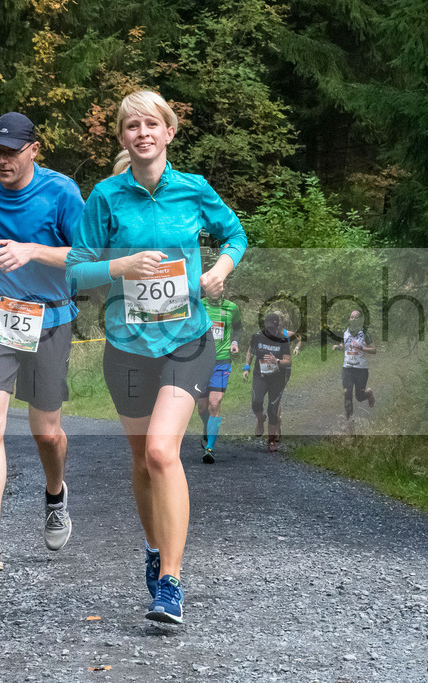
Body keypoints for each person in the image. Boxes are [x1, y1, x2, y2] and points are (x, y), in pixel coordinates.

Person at [66, 90, 247, 624]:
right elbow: (76, 269)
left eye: (152, 124)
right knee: (142, 458)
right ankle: (153, 547)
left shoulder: (194, 189)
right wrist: (119, 267)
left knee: (164, 453)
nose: (142, 133)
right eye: (131, 127)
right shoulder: (105, 196)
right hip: (126, 346)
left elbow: (234, 234)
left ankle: (170, 582)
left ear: (169, 132)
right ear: (122, 137)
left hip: (186, 340)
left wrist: (220, 269)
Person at [0, 112, 84, 571]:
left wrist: (32, 251)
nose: (2, 160)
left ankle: (55, 494)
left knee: (46, 432)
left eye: (11, 151)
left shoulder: (62, 192)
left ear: (34, 149)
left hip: (50, 318)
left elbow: (87, 256)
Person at [196, 296, 242, 463]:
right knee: (202, 408)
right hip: (201, 362)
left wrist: (234, 342)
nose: (217, 288)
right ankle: (208, 428)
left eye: (221, 285)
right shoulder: (199, 305)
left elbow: (238, 327)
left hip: (221, 362)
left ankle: (210, 448)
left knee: (214, 403)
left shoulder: (232, 307)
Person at [241, 312, 291, 453]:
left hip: (277, 377)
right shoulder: (257, 336)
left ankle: (271, 441)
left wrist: (277, 361)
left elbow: (288, 361)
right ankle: (260, 419)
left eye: (272, 329)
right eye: (267, 328)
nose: (269, 331)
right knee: (256, 401)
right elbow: (251, 351)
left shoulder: (283, 339)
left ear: (277, 327)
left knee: (273, 409)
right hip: (260, 375)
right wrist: (246, 366)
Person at [332, 309, 376, 431]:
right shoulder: (346, 332)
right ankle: (349, 421)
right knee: (347, 394)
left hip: (361, 369)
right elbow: (344, 345)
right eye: (351, 317)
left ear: (360, 320)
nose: (353, 319)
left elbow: (374, 350)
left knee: (359, 396)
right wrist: (338, 347)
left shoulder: (365, 333)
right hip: (347, 368)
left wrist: (362, 347)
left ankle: (368, 394)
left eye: (356, 317)